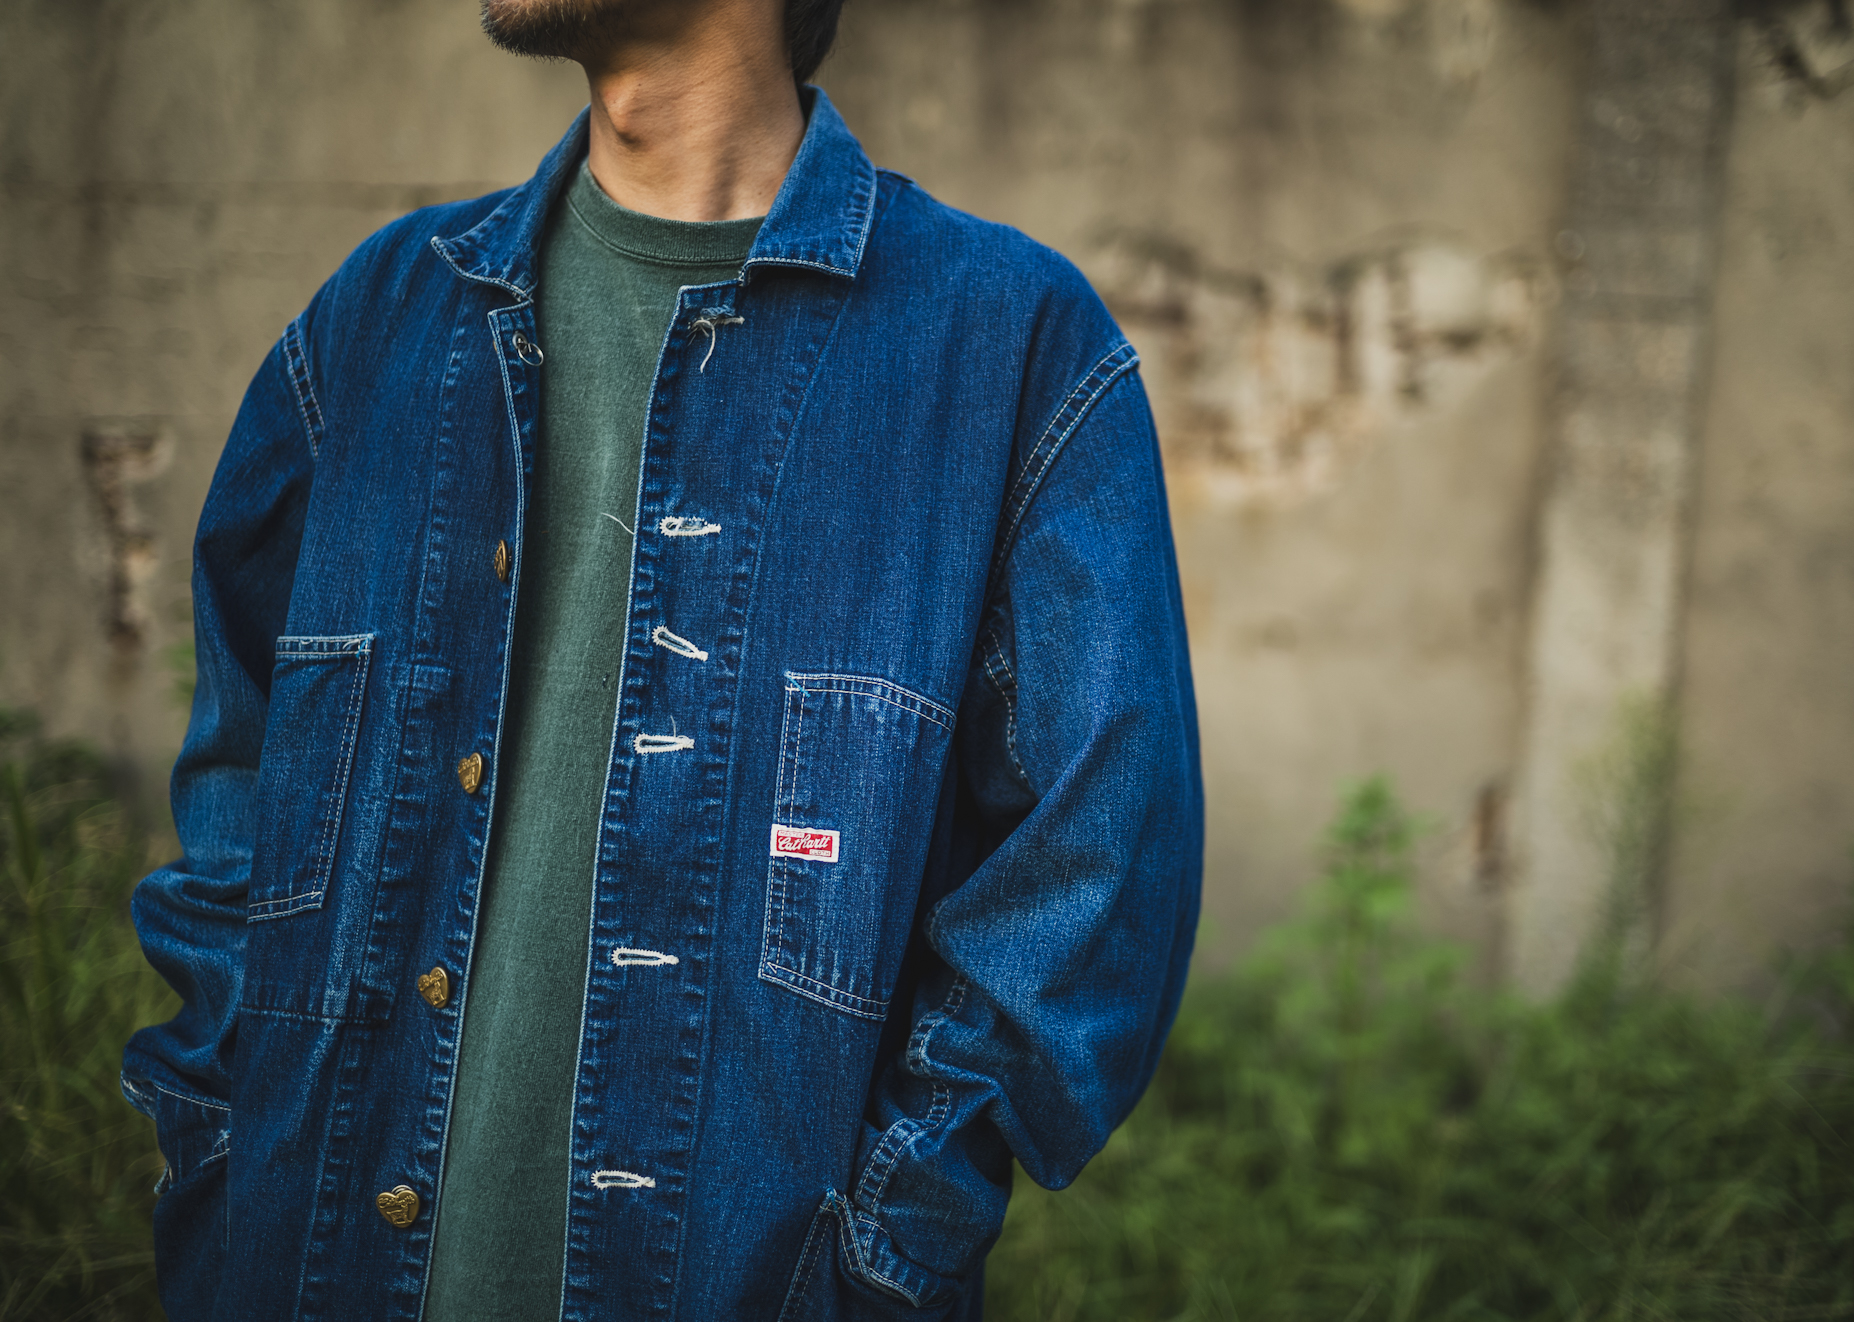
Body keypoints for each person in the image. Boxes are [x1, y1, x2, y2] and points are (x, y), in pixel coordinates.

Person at [121, 0, 1202, 1316]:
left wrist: (892, 1238)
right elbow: (241, 795)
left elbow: (1101, 869)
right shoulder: (379, 321)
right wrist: (217, 1153)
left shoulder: (1006, 348)